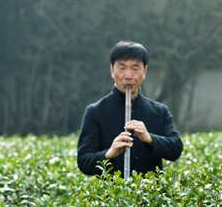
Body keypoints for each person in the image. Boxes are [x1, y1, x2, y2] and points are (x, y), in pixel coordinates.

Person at [77, 41, 183, 176]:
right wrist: (109, 153)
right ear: (112, 70)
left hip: (151, 195)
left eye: (135, 68)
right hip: (111, 196)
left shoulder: (159, 111)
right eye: (121, 68)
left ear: (144, 71)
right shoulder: (95, 111)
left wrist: (150, 139)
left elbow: (176, 149)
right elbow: (83, 162)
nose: (128, 76)